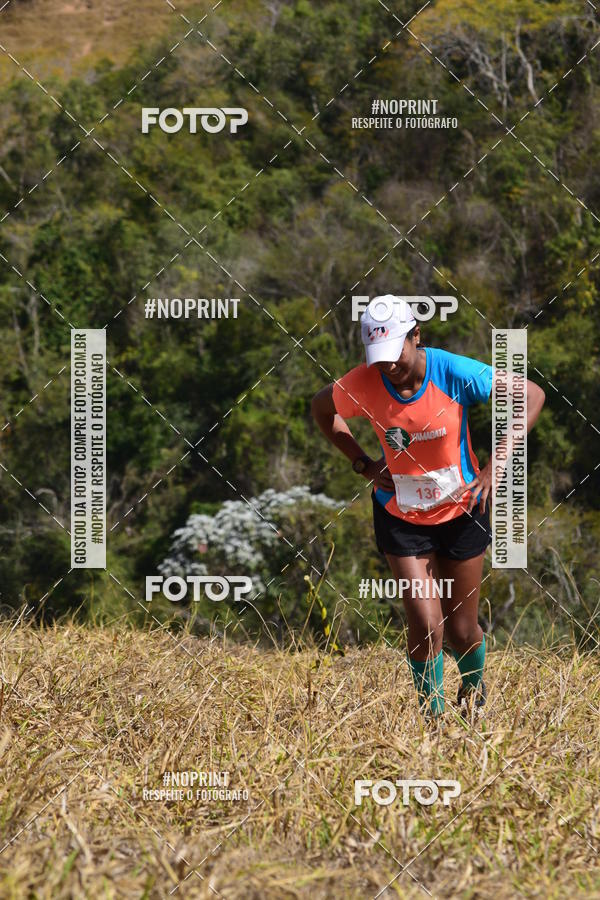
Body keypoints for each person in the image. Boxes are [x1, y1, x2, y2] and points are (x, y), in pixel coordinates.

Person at [311, 296, 545, 719]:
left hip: (462, 513)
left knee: (460, 629)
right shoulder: (363, 382)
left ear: (416, 336)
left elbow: (531, 396)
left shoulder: (452, 371)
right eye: (378, 358)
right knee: (425, 621)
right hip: (400, 516)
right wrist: (362, 462)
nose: (388, 366)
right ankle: (431, 719)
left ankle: (473, 695)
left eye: (395, 353)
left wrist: (494, 468)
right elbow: (321, 408)